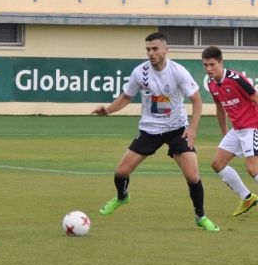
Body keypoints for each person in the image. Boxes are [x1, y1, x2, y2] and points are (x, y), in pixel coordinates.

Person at [92, 32, 220, 232]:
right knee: (121, 172)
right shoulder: (139, 72)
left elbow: (197, 100)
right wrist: (108, 110)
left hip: (177, 129)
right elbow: (126, 97)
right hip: (149, 130)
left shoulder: (178, 71)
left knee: (193, 176)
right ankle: (122, 197)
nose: (151, 53)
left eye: (155, 49)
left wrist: (192, 129)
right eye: (148, 49)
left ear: (165, 50)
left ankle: (200, 216)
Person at [202, 46, 258, 220]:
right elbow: (220, 108)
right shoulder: (211, 84)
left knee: (252, 168)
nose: (209, 69)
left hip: (253, 127)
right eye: (205, 65)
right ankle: (247, 198)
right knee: (217, 164)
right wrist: (225, 132)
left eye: (212, 65)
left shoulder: (236, 79)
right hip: (237, 129)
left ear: (221, 62)